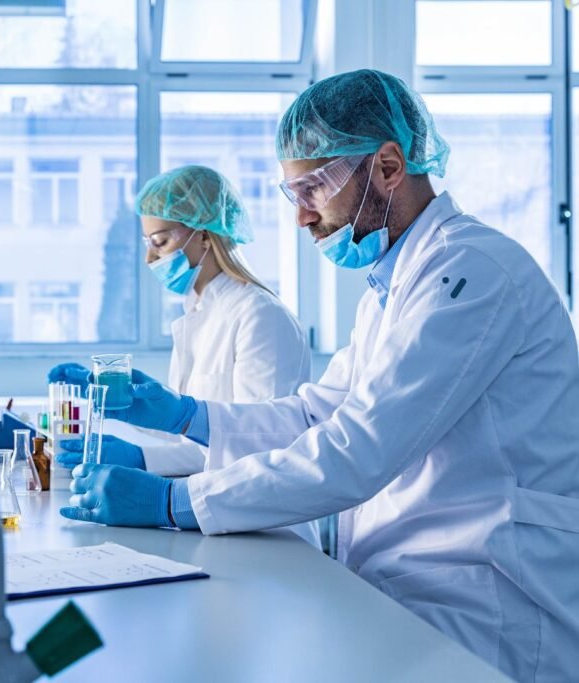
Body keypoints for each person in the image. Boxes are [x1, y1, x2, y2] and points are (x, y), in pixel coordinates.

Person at [57, 69, 579, 681]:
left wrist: (178, 502)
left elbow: (358, 449)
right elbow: (317, 413)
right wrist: (189, 416)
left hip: (486, 604)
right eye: (292, 195)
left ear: (388, 165)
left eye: (315, 188)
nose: (303, 218)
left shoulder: (471, 273)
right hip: (408, 587)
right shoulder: (389, 288)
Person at [50, 165, 319, 547]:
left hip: (268, 531)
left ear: (205, 235)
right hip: (214, 522)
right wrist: (134, 400)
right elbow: (190, 432)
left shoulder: (260, 316)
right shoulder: (197, 312)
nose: (149, 259)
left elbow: (256, 445)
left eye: (159, 242)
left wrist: (144, 458)